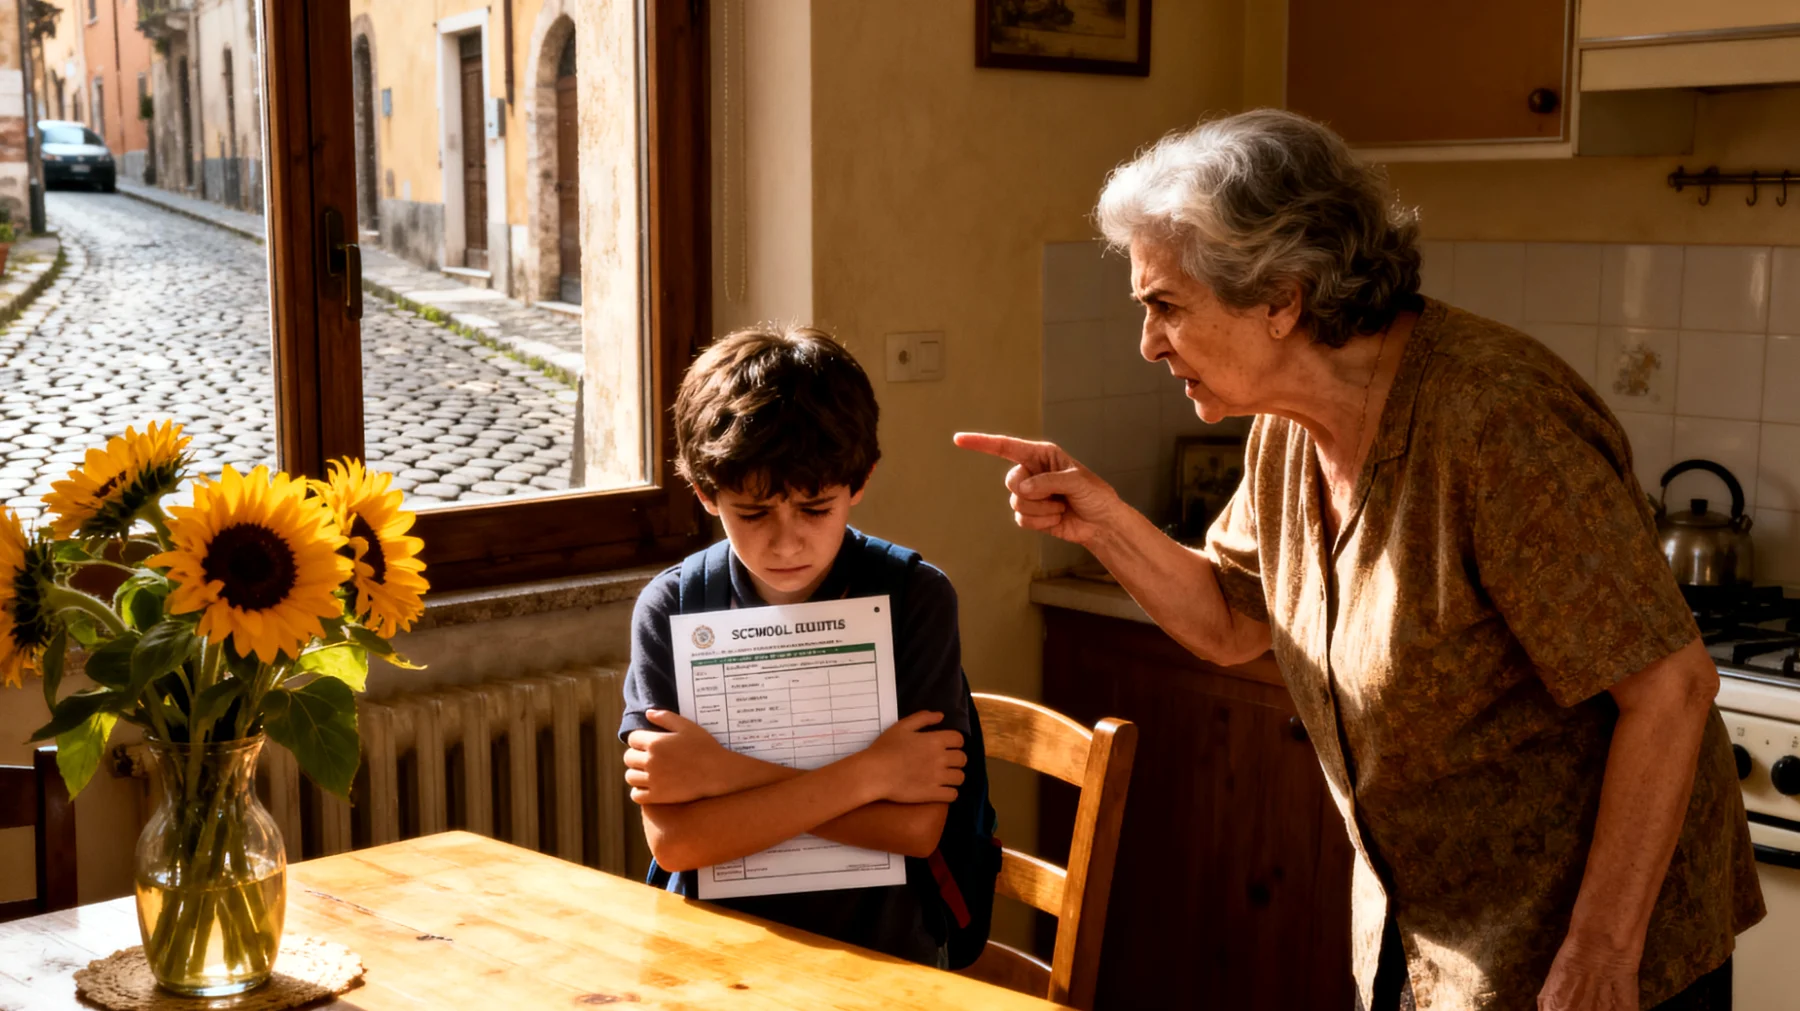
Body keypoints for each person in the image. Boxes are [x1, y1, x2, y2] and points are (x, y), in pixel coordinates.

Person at [958, 110, 1762, 1011]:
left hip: (1591, 950)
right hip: (1424, 938)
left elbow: (1672, 687)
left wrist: (1604, 952)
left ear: (1280, 298)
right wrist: (1103, 521)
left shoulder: (1495, 419)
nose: (1148, 344)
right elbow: (1231, 620)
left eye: (1166, 306)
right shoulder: (1285, 435)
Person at [620, 324, 978, 966]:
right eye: (752, 514)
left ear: (860, 481)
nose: (785, 544)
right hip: (715, 945)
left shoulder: (915, 598)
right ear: (706, 493)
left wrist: (722, 775)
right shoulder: (672, 606)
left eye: (815, 508)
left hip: (880, 944)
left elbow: (915, 830)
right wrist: (873, 774)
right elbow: (675, 845)